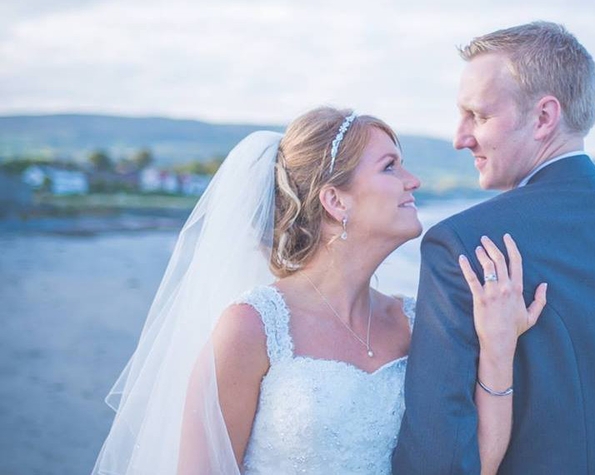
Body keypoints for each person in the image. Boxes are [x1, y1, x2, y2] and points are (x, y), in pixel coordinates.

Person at [92, 106, 547, 474]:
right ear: (335, 200)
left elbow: (474, 467)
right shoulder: (251, 327)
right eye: (391, 167)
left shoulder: (414, 323)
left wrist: (498, 345)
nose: (414, 181)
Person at [393, 21, 595, 475]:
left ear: (544, 117)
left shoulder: (464, 245)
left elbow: (440, 453)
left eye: (478, 116)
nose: (459, 137)